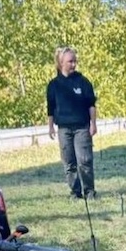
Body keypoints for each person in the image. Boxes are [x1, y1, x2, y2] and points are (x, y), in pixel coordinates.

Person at [46, 47, 97, 200]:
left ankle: (90, 192)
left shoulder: (83, 82)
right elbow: (50, 108)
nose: (74, 64)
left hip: (82, 127)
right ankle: (75, 193)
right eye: (70, 61)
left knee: (84, 161)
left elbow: (91, 104)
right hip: (63, 128)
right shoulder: (53, 85)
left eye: (75, 61)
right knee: (69, 163)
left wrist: (93, 124)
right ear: (61, 62)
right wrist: (50, 127)